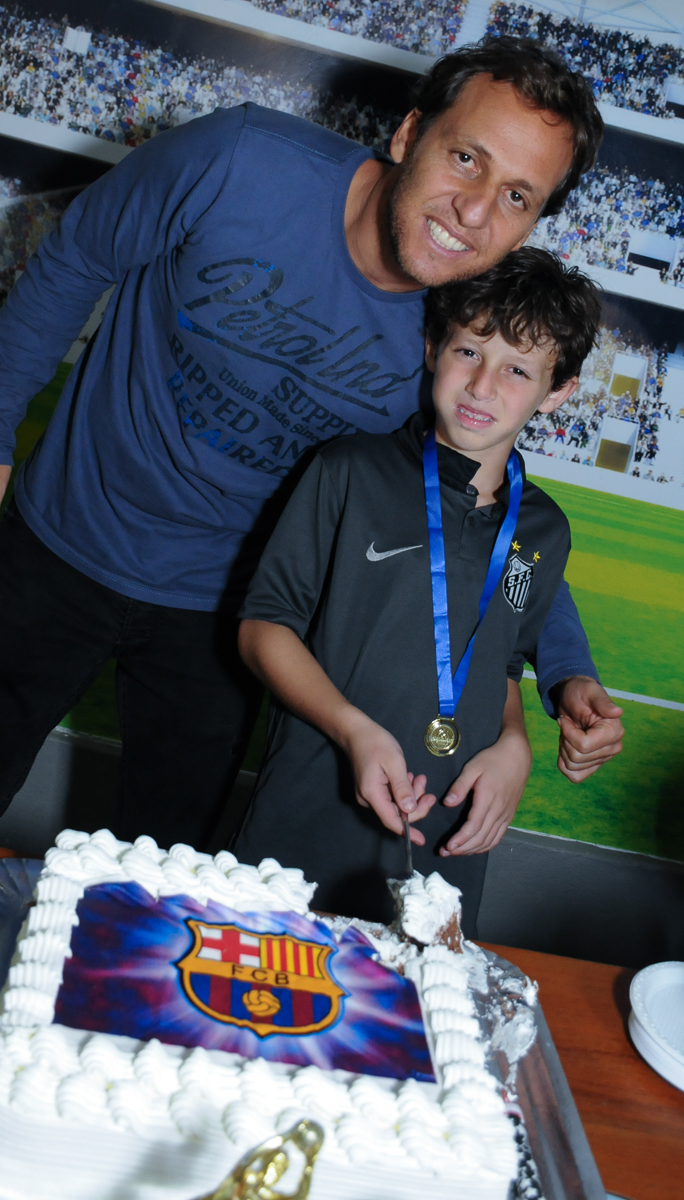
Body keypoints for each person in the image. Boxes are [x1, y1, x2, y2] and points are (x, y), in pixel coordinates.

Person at [0, 37, 623, 848]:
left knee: (167, 873)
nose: (475, 209)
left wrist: (564, 670)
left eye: (517, 196)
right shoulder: (237, 159)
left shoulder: (457, 336)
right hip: (65, 540)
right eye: (464, 158)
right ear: (408, 135)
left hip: (227, 616)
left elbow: (481, 509)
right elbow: (75, 259)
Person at [233, 248, 600, 930]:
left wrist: (512, 746)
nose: (481, 386)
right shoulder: (348, 471)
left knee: (409, 1024)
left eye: (516, 370)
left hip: (448, 835)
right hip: (312, 807)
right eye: (467, 352)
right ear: (432, 347)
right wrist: (352, 731)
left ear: (557, 392)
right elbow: (262, 627)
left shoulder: (543, 528)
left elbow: (501, 665)